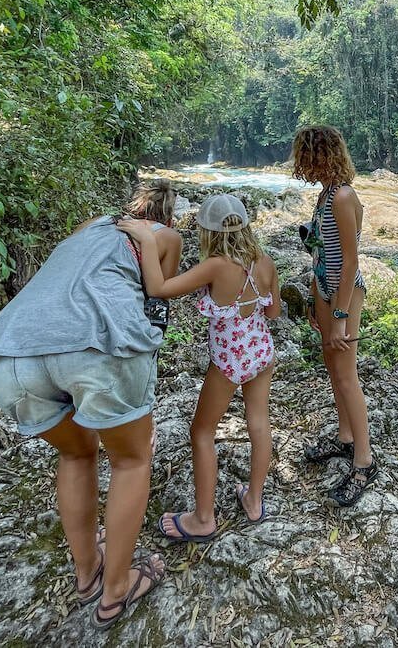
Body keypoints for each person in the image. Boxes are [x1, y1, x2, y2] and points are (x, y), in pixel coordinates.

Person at [0, 179, 182, 630]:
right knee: (130, 461)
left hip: (9, 352)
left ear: (131, 206)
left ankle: (87, 574)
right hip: (96, 345)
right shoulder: (165, 237)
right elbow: (157, 299)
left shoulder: (91, 225)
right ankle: (117, 589)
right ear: (167, 216)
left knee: (76, 451)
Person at [117, 192, 281, 541]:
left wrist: (147, 239)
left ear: (206, 233)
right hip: (261, 352)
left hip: (228, 360)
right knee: (259, 423)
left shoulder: (215, 265)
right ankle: (254, 501)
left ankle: (203, 518)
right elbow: (274, 312)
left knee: (202, 431)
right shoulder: (264, 262)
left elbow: (159, 287)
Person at [292, 125, 378, 506]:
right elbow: (318, 253)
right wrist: (314, 299)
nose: (302, 166)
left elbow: (349, 260)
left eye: (305, 158)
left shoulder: (343, 197)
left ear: (320, 156)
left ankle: (364, 461)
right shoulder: (325, 195)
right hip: (326, 292)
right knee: (332, 366)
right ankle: (345, 438)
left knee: (346, 374)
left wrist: (340, 315)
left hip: (345, 294)